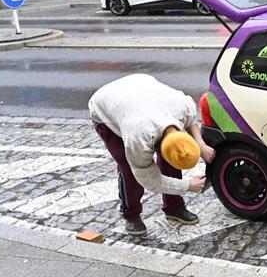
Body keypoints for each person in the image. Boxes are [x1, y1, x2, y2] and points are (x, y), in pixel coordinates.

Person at [89, 74, 215, 237]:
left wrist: (201, 145)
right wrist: (187, 186)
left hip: (140, 88)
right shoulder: (138, 137)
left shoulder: (181, 106)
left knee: (173, 157)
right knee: (128, 168)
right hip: (105, 107)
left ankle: (174, 207)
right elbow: (148, 179)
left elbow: (191, 120)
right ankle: (131, 214)